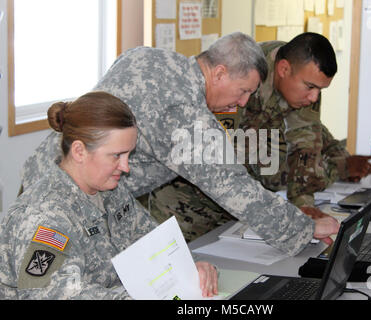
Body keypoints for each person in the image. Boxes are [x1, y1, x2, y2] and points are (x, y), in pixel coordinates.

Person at [20, 32, 339, 257]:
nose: (242, 101)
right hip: (68, 203)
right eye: (242, 91)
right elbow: (237, 189)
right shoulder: (186, 115)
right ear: (219, 72)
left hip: (46, 174)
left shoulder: (146, 56)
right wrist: (304, 229)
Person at [0, 92, 218, 299]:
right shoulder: (42, 217)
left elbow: (155, 243)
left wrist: (191, 267)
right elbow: (52, 295)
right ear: (79, 151)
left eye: (128, 155)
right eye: (116, 155)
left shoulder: (109, 191)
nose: (125, 167)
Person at [217, 32, 371, 216]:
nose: (314, 97)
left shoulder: (300, 75)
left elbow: (306, 147)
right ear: (283, 70)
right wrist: (339, 168)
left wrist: (304, 205)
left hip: (241, 203)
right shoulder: (241, 77)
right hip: (200, 204)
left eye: (320, 90)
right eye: (310, 87)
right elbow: (254, 171)